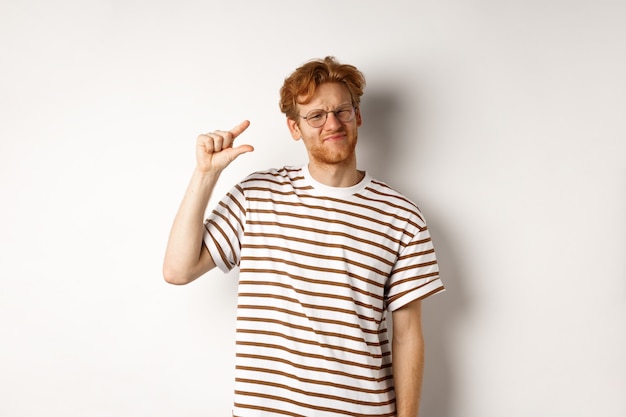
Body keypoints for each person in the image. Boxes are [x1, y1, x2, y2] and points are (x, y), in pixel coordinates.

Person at [163, 56, 444, 417]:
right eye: (316, 115)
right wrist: (205, 175)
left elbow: (407, 336)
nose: (332, 123)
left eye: (342, 110)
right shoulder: (257, 195)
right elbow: (177, 270)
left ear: (357, 116)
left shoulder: (402, 216)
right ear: (295, 128)